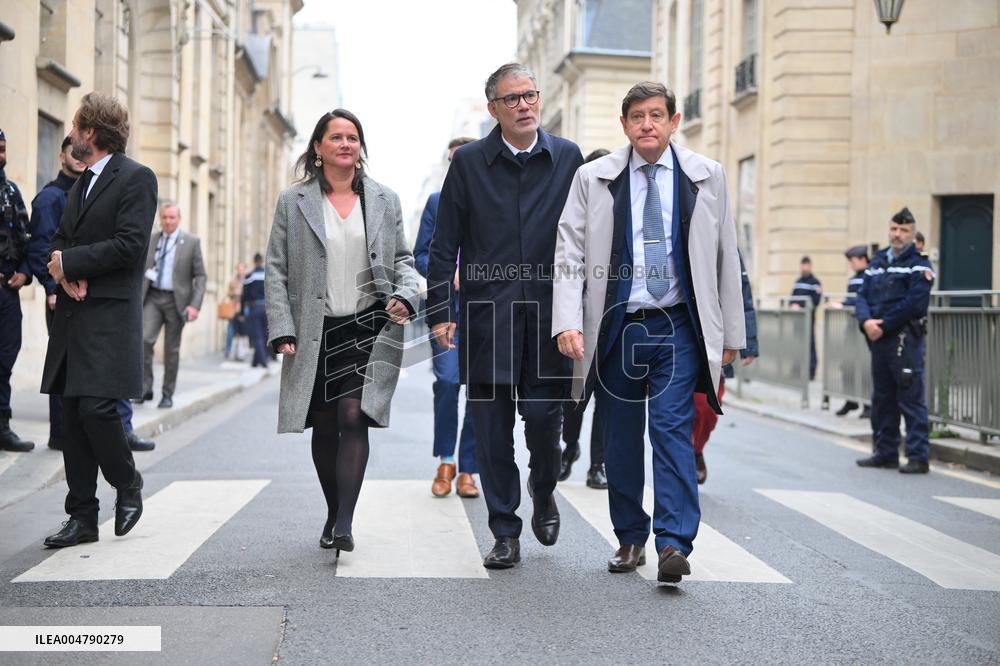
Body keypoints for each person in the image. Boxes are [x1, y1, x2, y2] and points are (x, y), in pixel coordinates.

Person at [552, 81, 745, 583]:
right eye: (637, 116)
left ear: (673, 121)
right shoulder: (592, 178)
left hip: (677, 323)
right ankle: (630, 536)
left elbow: (727, 255)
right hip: (617, 323)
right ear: (624, 125)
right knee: (619, 437)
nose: (647, 125)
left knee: (671, 429)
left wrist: (732, 333)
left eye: (656, 115)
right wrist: (567, 321)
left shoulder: (708, 177)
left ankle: (674, 543)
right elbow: (569, 252)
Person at [426, 63, 584, 569]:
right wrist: (438, 314)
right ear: (492, 108)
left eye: (530, 95)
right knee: (491, 428)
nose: (523, 105)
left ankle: (543, 489)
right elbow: (442, 243)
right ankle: (504, 529)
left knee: (542, 420)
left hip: (547, 318)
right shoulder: (470, 163)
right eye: (511, 98)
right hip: (485, 317)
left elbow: (584, 235)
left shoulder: (567, 158)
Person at [265, 109, 420, 556]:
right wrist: (282, 327)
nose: (346, 144)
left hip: (367, 326)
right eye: (336, 137)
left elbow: (404, 261)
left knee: (355, 416)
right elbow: (276, 269)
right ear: (318, 147)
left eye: (353, 137)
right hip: (316, 329)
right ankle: (333, 512)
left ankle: (346, 522)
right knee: (326, 423)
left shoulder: (384, 200)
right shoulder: (292, 202)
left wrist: (407, 294)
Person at [40, 92, 156, 547]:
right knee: (72, 415)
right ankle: (82, 517)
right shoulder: (81, 182)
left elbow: (130, 246)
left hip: (109, 314)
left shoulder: (136, 178)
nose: (69, 134)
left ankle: (127, 484)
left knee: (98, 409)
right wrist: (65, 274)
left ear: (91, 132)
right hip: (75, 313)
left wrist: (72, 265)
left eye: (75, 126)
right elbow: (58, 241)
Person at [29, 136, 154, 452]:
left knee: (99, 396)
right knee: (74, 391)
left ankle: (122, 443)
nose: (75, 153)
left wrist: (71, 269)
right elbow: (49, 245)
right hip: (64, 296)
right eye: (69, 148)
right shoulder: (54, 196)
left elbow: (122, 244)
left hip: (97, 296)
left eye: (78, 131)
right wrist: (56, 284)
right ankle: (62, 435)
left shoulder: (116, 181)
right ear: (61, 156)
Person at [413, 136, 480, 499]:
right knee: (449, 383)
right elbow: (420, 254)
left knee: (480, 391)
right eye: (453, 160)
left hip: (487, 311)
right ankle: (446, 460)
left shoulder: (491, 200)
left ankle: (470, 468)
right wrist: (448, 273)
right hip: (447, 310)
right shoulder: (437, 202)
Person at [854, 207, 933, 475]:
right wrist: (866, 321)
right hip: (878, 338)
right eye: (894, 229)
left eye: (904, 231)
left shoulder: (919, 263)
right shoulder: (877, 262)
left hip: (904, 340)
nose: (897, 235)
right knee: (882, 398)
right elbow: (861, 296)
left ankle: (918, 455)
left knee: (910, 398)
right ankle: (885, 452)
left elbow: (915, 303)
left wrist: (883, 325)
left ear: (913, 234)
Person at [558, 148, 611, 490]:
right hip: (578, 317)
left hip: (613, 319)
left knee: (606, 397)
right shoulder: (575, 210)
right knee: (575, 395)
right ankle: (570, 447)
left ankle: (597, 465)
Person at [691, 253, 758, 485]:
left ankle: (696, 450)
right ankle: (681, 460)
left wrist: (748, 342)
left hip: (715, 341)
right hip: (683, 332)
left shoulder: (729, 250)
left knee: (708, 410)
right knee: (683, 409)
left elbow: (743, 296)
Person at [137, 203, 207, 408]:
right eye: (164, 217)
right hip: (152, 297)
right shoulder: (152, 240)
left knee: (171, 349)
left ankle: (167, 393)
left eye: (172, 217)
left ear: (179, 219)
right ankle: (145, 387)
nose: (168, 221)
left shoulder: (192, 242)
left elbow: (201, 276)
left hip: (177, 302)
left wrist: (195, 305)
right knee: (144, 340)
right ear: (160, 218)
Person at [0, 128, 37, 452]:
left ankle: (2, 426)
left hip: (7, 293)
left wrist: (25, 273)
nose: (1, 156)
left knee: (6, 358)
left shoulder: (11, 192)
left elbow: (27, 240)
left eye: (3, 149)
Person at [827, 245, 871, 419]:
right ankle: (850, 400)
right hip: (851, 330)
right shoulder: (853, 279)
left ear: (862, 259)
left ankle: (868, 405)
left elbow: (861, 301)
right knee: (847, 366)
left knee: (865, 367)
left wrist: (843, 305)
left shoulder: (869, 277)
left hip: (863, 328)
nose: (851, 265)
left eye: (852, 261)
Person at [790, 256, 822, 380]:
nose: (804, 268)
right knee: (797, 345)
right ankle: (796, 371)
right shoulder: (798, 282)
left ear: (810, 266)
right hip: (797, 321)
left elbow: (815, 301)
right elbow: (792, 297)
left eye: (806, 265)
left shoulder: (815, 282)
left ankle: (811, 372)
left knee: (810, 346)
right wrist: (793, 305)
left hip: (809, 320)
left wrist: (802, 306)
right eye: (802, 265)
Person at [242, 253, 268, 368]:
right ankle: (255, 361)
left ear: (254, 261)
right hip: (267, 309)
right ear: (262, 261)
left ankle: (263, 361)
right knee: (264, 335)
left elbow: (244, 296)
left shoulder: (250, 276)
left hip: (255, 308)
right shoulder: (267, 275)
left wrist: (242, 312)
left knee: (257, 336)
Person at [225, 262, 248, 361]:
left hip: (244, 307)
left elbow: (249, 294)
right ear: (237, 270)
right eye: (239, 269)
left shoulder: (248, 281)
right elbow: (228, 293)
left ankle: (240, 351)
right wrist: (234, 292)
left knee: (243, 330)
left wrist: (242, 293)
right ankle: (228, 350)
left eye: (242, 269)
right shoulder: (233, 281)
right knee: (230, 329)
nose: (241, 271)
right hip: (234, 307)